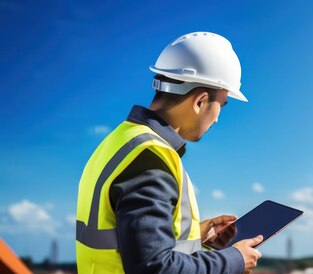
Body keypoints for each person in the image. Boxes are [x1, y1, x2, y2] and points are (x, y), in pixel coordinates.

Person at [75, 32, 262, 273]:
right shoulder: (151, 160)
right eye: (221, 106)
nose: (217, 119)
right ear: (200, 101)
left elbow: (130, 241)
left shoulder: (120, 141)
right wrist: (234, 260)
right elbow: (155, 267)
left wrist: (198, 236)